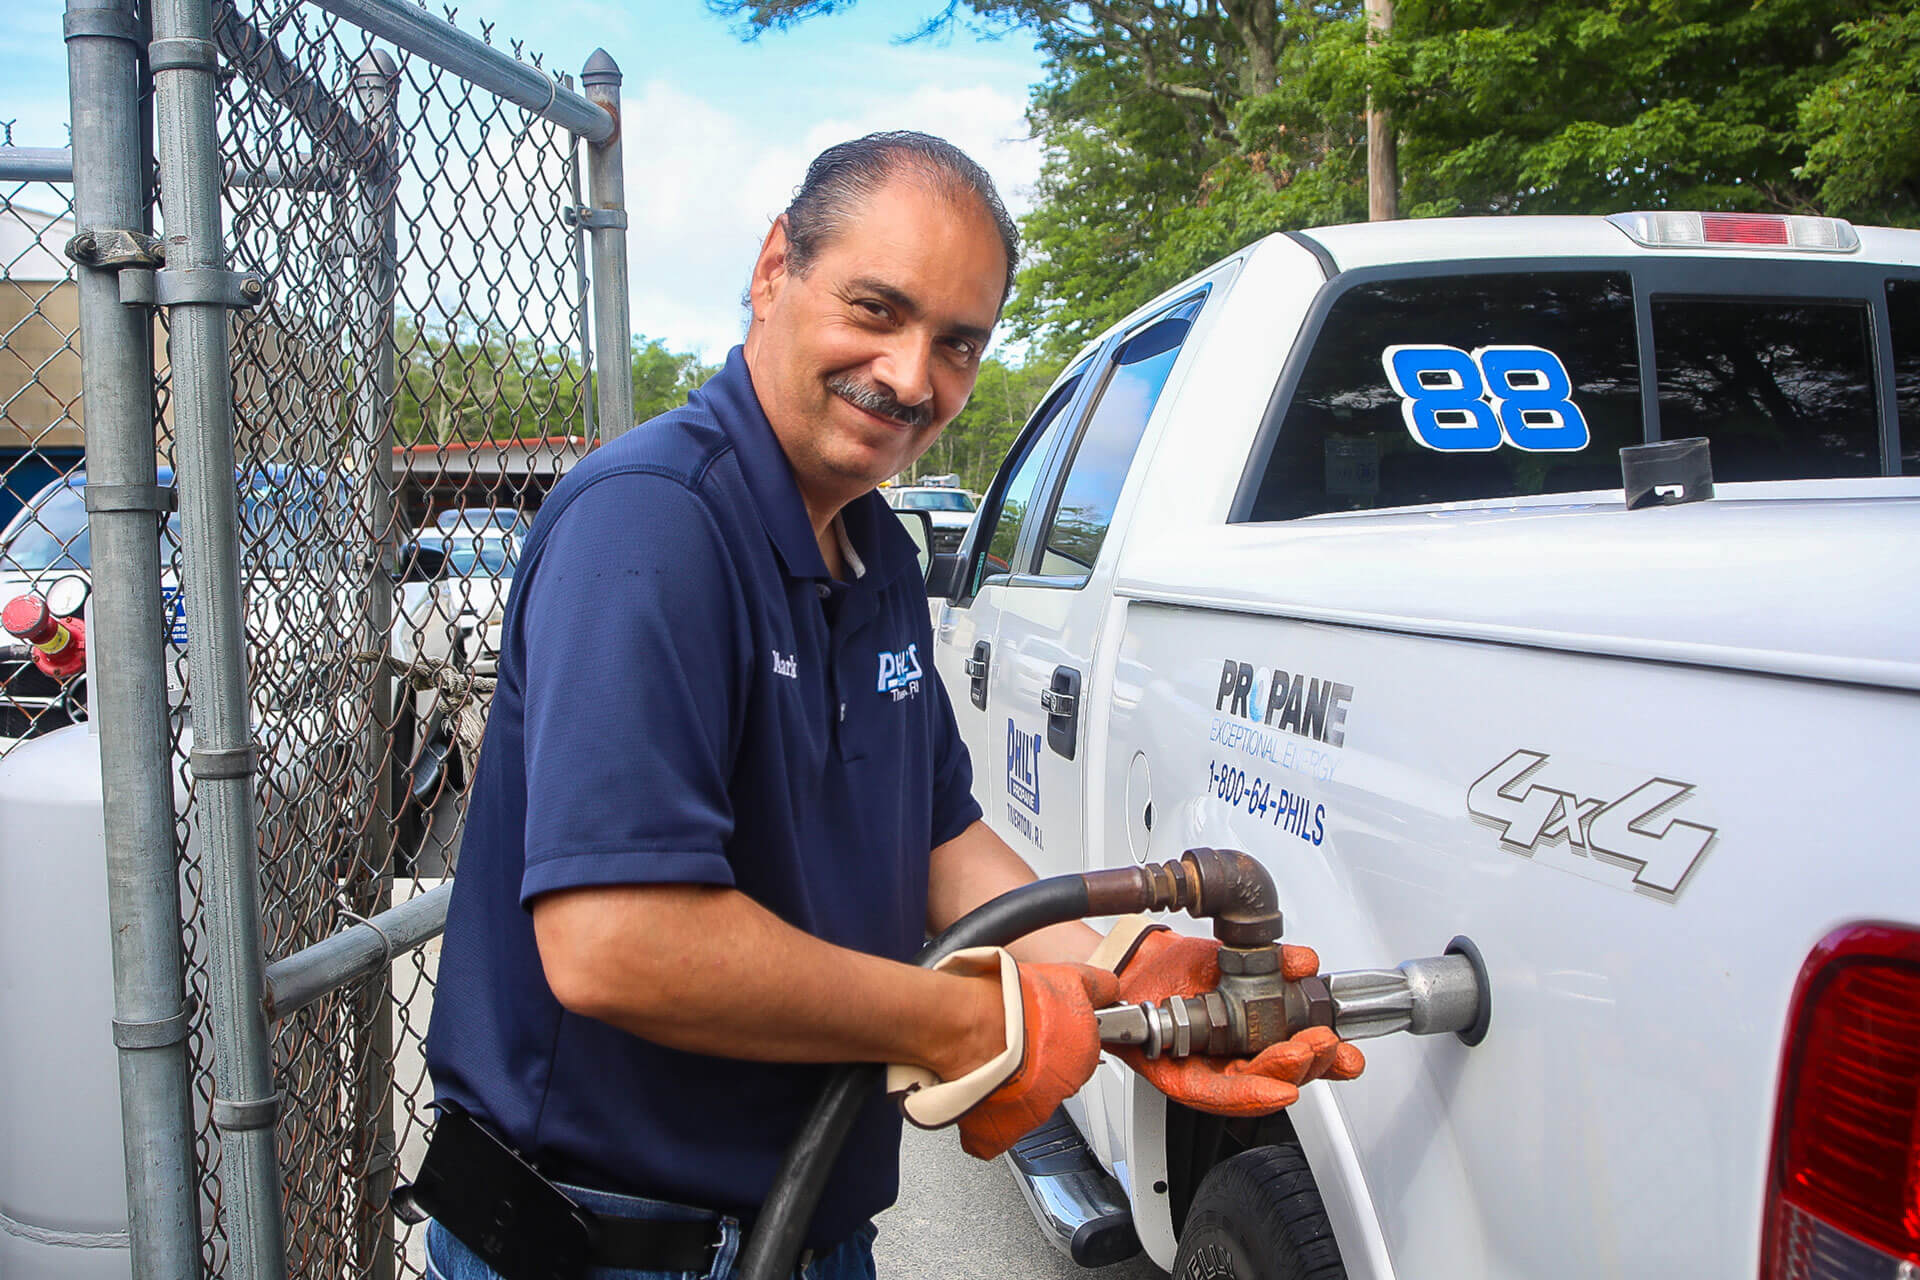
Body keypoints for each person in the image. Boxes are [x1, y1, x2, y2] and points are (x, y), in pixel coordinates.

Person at [421, 131, 1361, 1280]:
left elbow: (937, 840)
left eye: (957, 343)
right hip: (605, 1244)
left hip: (801, 1229)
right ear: (776, 268)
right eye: (877, 308)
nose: (914, 377)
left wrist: (1129, 966)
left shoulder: (871, 548)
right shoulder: (653, 525)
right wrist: (964, 1018)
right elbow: (620, 939)